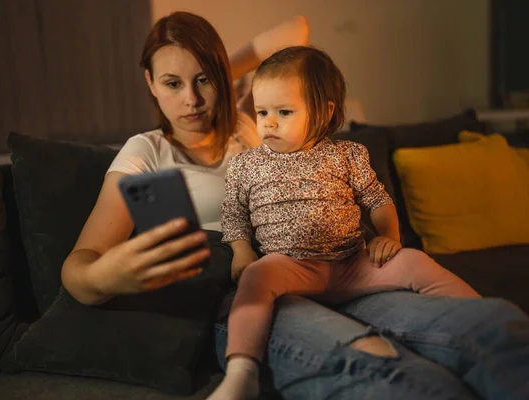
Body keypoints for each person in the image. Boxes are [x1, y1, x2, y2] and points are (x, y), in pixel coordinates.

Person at [60, 11, 529, 400]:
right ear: (149, 83)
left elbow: (295, 33)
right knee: (396, 375)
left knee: (495, 327)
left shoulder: (252, 126)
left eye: (204, 80)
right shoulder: (147, 154)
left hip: (343, 268)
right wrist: (106, 276)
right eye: (171, 82)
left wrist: (221, 67)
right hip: (255, 294)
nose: (193, 100)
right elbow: (79, 270)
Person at [212, 45, 481, 399]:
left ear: (323, 113)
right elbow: (233, 215)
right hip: (291, 267)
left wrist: (389, 236)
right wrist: (242, 250)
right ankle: (241, 371)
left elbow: (378, 199)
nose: (269, 122)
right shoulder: (245, 164)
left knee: (415, 261)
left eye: (284, 111)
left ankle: (481, 317)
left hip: (353, 265)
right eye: (262, 112)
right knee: (256, 276)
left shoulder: (346, 154)